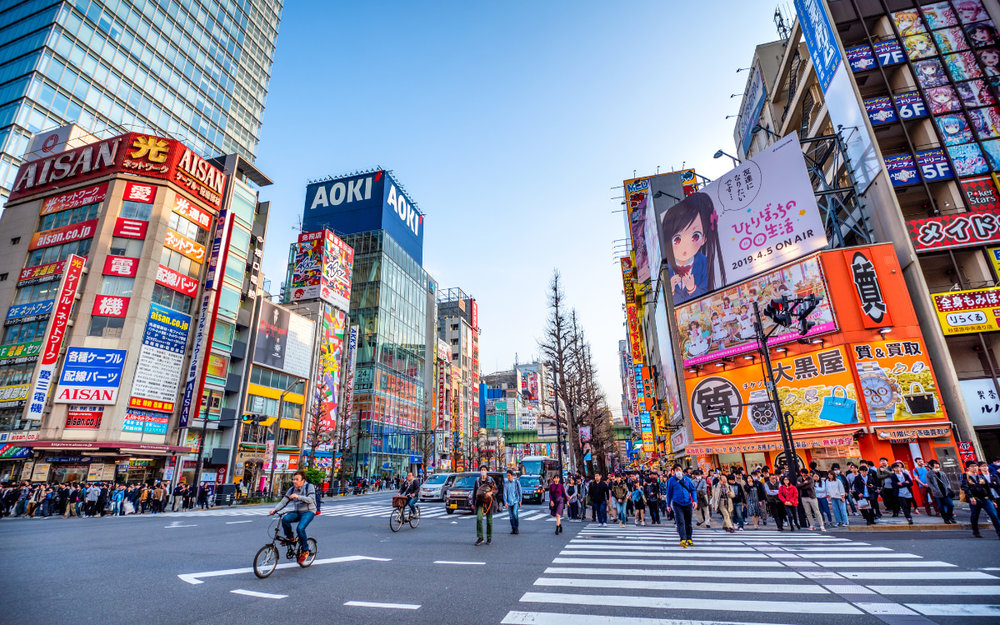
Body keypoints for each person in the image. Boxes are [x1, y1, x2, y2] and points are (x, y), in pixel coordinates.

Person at [268, 470, 317, 565]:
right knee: (285, 519)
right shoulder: (292, 489)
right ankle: (290, 538)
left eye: (297, 479)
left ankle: (305, 550)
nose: (294, 481)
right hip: (298, 511)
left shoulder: (309, 487)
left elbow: (311, 499)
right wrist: (275, 510)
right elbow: (284, 501)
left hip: (309, 511)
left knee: (300, 528)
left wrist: (298, 497)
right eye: (293, 479)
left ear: (303, 480)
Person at [962, 461, 1000, 539]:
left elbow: (987, 489)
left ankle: (999, 532)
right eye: (972, 466)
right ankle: (975, 530)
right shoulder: (966, 476)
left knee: (993, 515)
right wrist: (971, 497)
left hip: (985, 499)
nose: (974, 468)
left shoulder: (981, 477)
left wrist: (993, 500)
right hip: (975, 500)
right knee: (975, 516)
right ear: (968, 468)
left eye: (975, 466)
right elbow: (965, 487)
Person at [666, 465, 697, 547]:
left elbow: (693, 490)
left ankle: (689, 538)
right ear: (673, 472)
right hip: (677, 503)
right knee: (680, 521)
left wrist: (695, 501)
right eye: (676, 470)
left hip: (688, 503)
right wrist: (668, 504)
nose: (678, 471)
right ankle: (683, 539)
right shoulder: (671, 480)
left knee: (688, 522)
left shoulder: (687, 479)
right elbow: (669, 493)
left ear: (682, 470)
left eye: (679, 469)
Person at [471, 466, 498, 546]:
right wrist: (473, 503)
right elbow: (474, 492)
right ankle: (480, 537)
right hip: (480, 502)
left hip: (489, 502)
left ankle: (489, 538)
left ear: (487, 471)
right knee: (479, 518)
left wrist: (490, 493)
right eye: (482, 470)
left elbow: (496, 489)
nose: (483, 471)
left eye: (484, 470)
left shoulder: (490, 479)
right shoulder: (477, 481)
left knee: (489, 521)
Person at [926, 460, 956, 524]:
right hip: (937, 493)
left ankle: (950, 516)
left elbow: (947, 481)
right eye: (935, 467)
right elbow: (929, 483)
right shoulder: (929, 474)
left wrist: (948, 487)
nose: (937, 468)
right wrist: (934, 490)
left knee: (951, 504)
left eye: (938, 467)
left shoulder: (942, 473)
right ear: (931, 467)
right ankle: (945, 519)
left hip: (945, 491)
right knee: (941, 507)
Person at [503, 470, 523, 534]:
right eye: (507, 476)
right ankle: (513, 528)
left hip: (515, 501)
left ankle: (516, 528)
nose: (508, 477)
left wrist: (520, 501)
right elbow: (504, 493)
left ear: (512, 475)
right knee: (511, 516)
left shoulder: (516, 482)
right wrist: (505, 502)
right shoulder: (506, 483)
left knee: (515, 513)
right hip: (509, 502)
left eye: (509, 475)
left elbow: (520, 491)